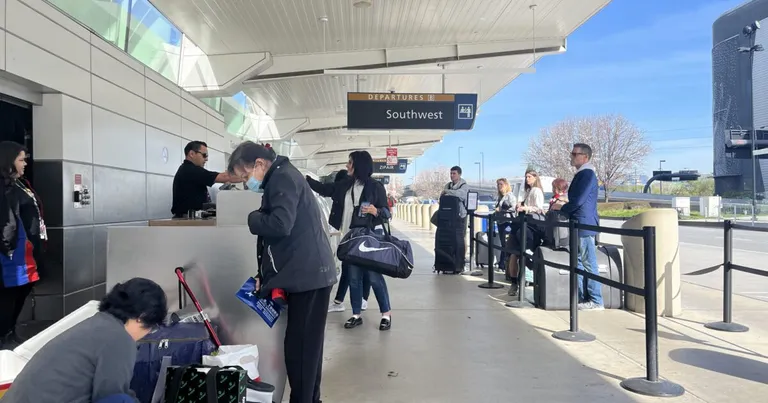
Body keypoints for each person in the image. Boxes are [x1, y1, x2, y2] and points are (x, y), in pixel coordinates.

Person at [227, 141, 337, 403]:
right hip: (310, 274)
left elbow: (280, 224)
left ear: (260, 164)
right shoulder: (282, 176)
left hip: (309, 277)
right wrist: (264, 275)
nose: (245, 183)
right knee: (308, 349)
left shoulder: (283, 178)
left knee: (300, 350)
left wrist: (252, 218)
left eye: (245, 176)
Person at [3, 278, 167, 403]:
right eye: (150, 328)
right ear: (141, 318)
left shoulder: (97, 323)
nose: (146, 334)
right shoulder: (119, 339)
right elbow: (112, 398)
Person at [307, 151, 392, 331]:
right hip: (349, 239)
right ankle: (356, 314)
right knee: (353, 278)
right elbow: (324, 189)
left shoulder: (375, 187)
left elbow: (386, 213)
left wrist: (375, 211)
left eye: (350, 163)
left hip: (368, 238)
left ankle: (386, 314)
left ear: (358, 165)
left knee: (374, 277)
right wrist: (304, 179)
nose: (347, 166)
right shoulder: (345, 185)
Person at [0, 141, 46, 349]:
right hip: (9, 252)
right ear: (8, 161)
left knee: (23, 288)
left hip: (26, 248)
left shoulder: (20, 183)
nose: (25, 163)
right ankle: (4, 335)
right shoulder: (3, 186)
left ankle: (9, 330)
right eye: (21, 159)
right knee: (9, 293)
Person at [306, 169, 372, 313]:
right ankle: (350, 301)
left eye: (350, 164)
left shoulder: (366, 188)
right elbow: (325, 190)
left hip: (359, 235)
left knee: (362, 269)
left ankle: (352, 302)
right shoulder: (347, 190)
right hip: (349, 235)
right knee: (353, 268)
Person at [552, 143, 604, 310]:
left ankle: (596, 300)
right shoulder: (583, 174)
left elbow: (578, 200)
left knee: (588, 262)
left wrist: (561, 207)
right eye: (572, 153)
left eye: (575, 154)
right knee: (580, 262)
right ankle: (581, 297)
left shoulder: (587, 174)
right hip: (580, 223)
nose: (572, 156)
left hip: (584, 224)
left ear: (585, 157)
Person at [171, 140, 241, 217]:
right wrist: (247, 175)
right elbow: (224, 177)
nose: (206, 159)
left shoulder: (188, 169)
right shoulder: (190, 170)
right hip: (187, 220)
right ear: (192, 154)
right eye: (204, 155)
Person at [506, 169, 546, 296]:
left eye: (529, 176)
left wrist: (526, 208)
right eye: (526, 177)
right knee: (513, 253)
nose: (527, 179)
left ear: (535, 178)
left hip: (530, 227)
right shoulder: (527, 191)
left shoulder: (537, 191)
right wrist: (520, 205)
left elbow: (539, 209)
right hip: (519, 225)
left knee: (525, 252)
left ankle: (532, 274)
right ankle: (514, 282)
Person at [495, 178, 517, 271]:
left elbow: (514, 207)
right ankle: (503, 263)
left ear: (506, 185)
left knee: (506, 243)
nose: (500, 186)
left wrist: (503, 209)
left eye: (501, 184)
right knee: (502, 243)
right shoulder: (500, 197)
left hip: (508, 222)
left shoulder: (510, 196)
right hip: (500, 222)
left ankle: (503, 264)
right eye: (498, 185)